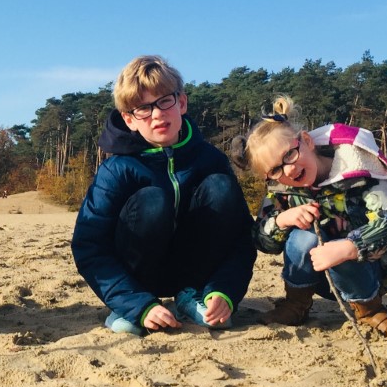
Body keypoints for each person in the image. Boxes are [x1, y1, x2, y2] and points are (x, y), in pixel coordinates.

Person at [72, 54, 255, 335]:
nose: (157, 114)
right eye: (142, 109)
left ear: (181, 103)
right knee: (151, 199)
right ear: (129, 119)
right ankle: (131, 307)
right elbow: (89, 245)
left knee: (220, 187)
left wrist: (224, 290)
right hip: (137, 279)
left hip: (194, 274)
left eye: (163, 102)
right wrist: (135, 304)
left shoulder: (210, 159)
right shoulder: (116, 169)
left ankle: (193, 296)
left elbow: (242, 235)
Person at [242, 96, 387, 340]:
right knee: (301, 238)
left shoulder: (360, 174)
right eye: (275, 170)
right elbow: (261, 242)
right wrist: (282, 220)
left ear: (307, 141)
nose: (288, 170)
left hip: (370, 273)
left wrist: (351, 247)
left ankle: (371, 312)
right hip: (315, 278)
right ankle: (296, 304)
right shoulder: (281, 191)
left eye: (289, 155)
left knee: (340, 249)